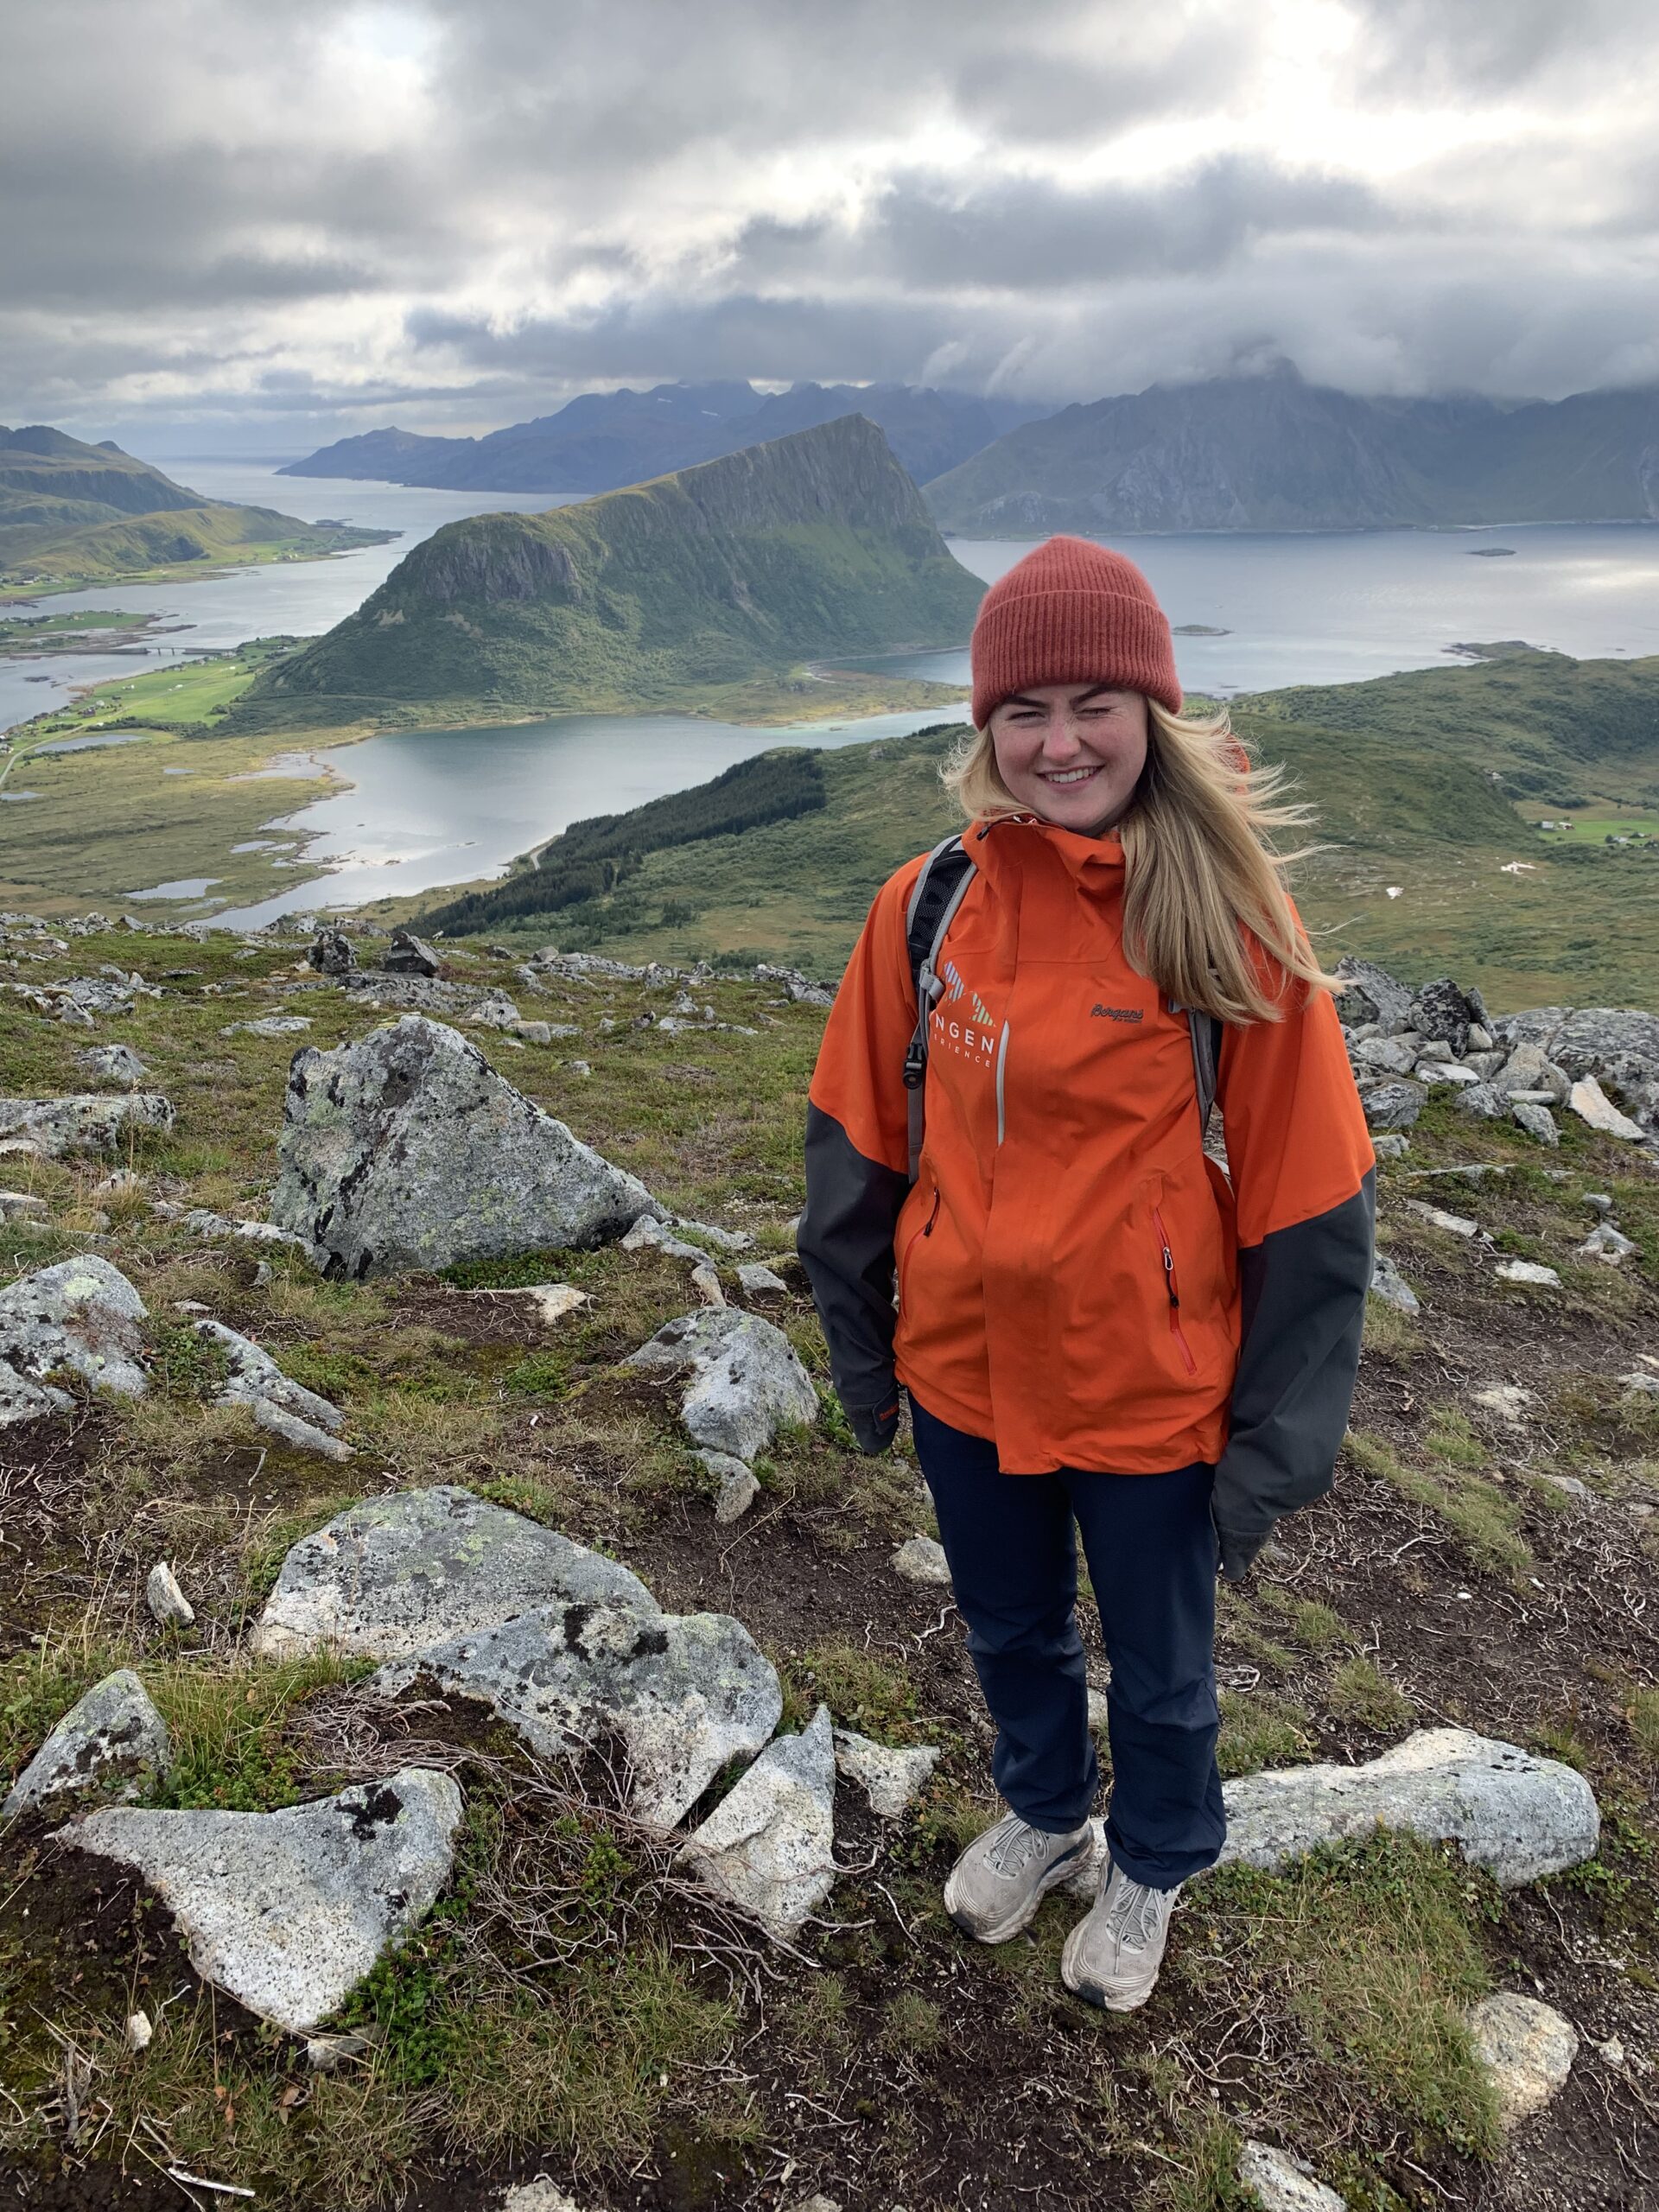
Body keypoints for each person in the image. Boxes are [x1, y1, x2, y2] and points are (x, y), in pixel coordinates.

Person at [798, 537, 1374, 2012]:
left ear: (1153, 711)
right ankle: (1051, 1812)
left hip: (1149, 1391)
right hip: (965, 1370)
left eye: (1095, 703)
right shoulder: (927, 907)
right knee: (1007, 1623)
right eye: (1025, 710)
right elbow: (857, 1141)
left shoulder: (1227, 919)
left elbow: (1313, 1204)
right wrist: (868, 1357)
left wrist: (1273, 1449)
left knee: (1164, 1670)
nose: (1061, 742)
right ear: (985, 732)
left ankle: (1158, 1857)